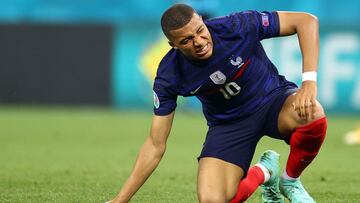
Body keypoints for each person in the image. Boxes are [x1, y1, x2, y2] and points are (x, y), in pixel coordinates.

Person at [108, 3, 327, 203]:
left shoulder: (236, 26)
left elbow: (306, 21)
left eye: (200, 31)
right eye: (186, 41)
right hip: (228, 126)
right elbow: (155, 144)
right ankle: (263, 172)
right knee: (213, 200)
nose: (199, 43)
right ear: (172, 45)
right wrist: (120, 200)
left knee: (312, 113)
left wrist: (309, 81)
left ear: (203, 21)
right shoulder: (169, 75)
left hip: (272, 102)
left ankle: (289, 180)